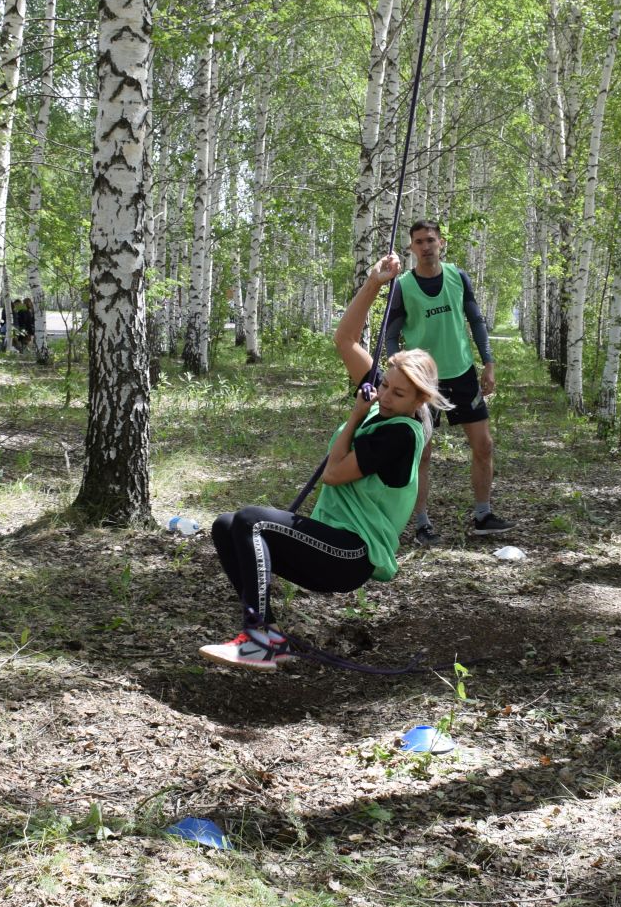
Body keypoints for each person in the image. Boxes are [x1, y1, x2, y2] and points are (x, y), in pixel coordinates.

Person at [200, 254, 446, 670]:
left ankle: (258, 639)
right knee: (226, 526)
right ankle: (270, 636)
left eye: (398, 393)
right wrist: (375, 283)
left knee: (251, 520)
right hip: (328, 542)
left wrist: (354, 416)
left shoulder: (400, 434)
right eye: (384, 385)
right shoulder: (385, 405)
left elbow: (333, 474)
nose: (385, 395)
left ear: (420, 400)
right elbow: (346, 340)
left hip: (351, 554)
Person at [381, 220, 511, 542]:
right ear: (411, 248)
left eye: (430, 240)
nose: (425, 247)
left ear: (441, 243)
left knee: (484, 445)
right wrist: (398, 369)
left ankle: (483, 514)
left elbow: (477, 321)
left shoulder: (457, 277)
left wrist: (489, 363)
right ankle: (422, 524)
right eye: (418, 242)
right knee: (422, 453)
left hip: (463, 373)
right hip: (423, 381)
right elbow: (392, 334)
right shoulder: (403, 286)